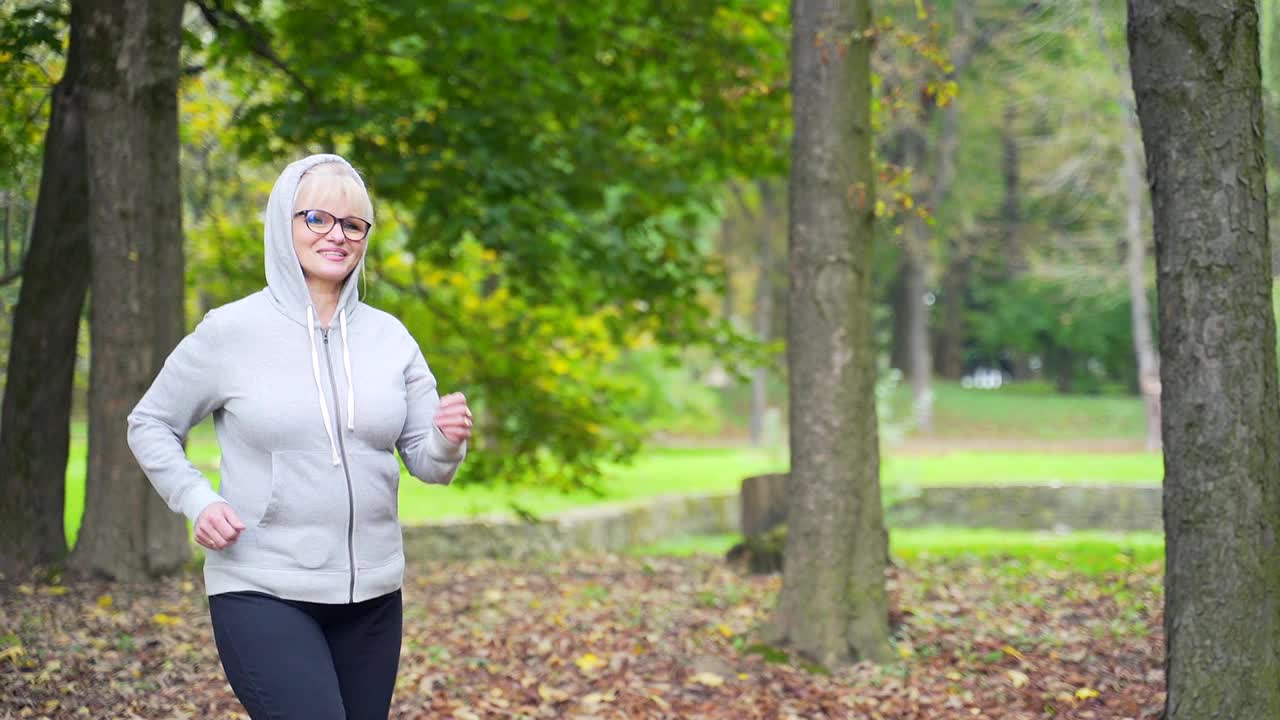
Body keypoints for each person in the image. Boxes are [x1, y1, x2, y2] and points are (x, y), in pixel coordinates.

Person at [127, 154, 471, 719]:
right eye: (317, 219)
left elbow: (428, 464)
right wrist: (197, 499)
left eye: (353, 225)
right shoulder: (231, 332)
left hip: (374, 596)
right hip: (262, 587)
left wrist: (446, 439)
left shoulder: (390, 338)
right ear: (284, 225)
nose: (337, 235)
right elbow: (151, 422)